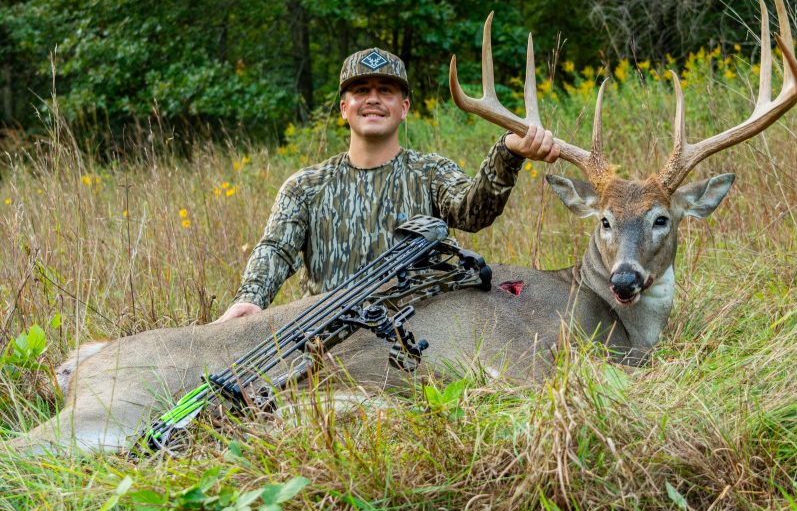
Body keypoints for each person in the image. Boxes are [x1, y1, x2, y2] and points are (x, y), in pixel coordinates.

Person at [215, 47, 559, 322]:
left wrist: (508, 152)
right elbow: (275, 250)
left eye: (387, 91)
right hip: (328, 338)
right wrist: (249, 300)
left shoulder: (430, 172)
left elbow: (473, 210)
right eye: (361, 90)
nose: (374, 99)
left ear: (404, 107)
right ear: (344, 107)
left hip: (416, 338)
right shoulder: (306, 186)